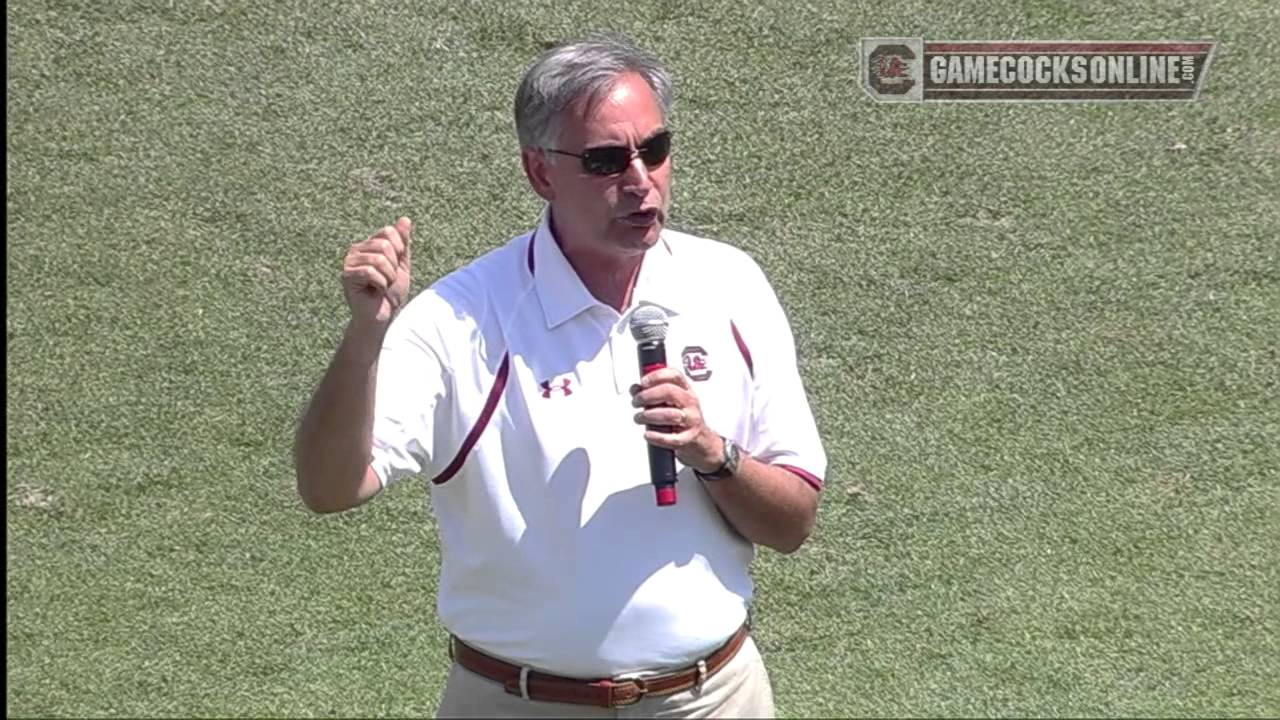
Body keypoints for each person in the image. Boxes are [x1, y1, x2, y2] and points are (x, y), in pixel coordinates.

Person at [294, 34, 827, 718]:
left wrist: (712, 454)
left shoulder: (730, 283)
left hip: (712, 699)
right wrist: (366, 336)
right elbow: (329, 488)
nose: (640, 180)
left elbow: (792, 523)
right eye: (606, 161)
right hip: (517, 704)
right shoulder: (459, 320)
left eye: (655, 150)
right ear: (540, 172)